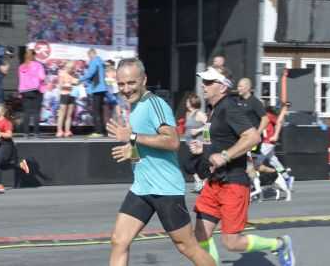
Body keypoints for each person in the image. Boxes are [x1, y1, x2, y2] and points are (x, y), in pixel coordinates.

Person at [106, 58, 216, 266]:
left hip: (165, 189)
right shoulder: (135, 107)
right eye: (121, 84)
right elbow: (144, 146)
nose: (126, 89)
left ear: (144, 80)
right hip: (142, 188)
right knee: (119, 241)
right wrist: (132, 152)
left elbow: (173, 141)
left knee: (187, 246)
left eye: (131, 83)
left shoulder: (155, 104)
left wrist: (133, 137)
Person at [189, 67, 295, 266]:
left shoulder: (229, 107)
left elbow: (253, 136)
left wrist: (225, 155)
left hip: (233, 184)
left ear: (222, 87)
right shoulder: (213, 110)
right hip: (214, 183)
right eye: (204, 81)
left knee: (232, 242)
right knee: (200, 233)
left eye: (209, 82)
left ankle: (279, 244)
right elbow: (216, 138)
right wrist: (201, 148)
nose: (204, 85)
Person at [0, 103, 30, 193]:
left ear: (2, 113)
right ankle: (20, 164)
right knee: (2, 166)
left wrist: (0, 134)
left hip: (7, 145)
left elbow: (9, 135)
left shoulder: (7, 122)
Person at [79, 48, 107, 137]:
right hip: (102, 88)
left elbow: (90, 73)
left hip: (97, 88)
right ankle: (102, 131)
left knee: (96, 111)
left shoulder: (94, 61)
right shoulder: (101, 62)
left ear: (92, 54)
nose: (89, 58)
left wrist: (80, 79)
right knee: (100, 110)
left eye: (89, 56)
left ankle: (98, 132)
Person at [18, 49, 46, 138]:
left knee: (26, 112)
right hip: (36, 90)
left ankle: (26, 133)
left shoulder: (21, 66)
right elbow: (42, 77)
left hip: (24, 91)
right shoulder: (38, 65)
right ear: (34, 56)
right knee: (36, 112)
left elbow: (20, 79)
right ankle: (36, 133)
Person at [184, 93, 208, 193]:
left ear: (191, 102)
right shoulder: (188, 114)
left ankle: (200, 182)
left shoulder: (199, 114)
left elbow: (209, 125)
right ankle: (202, 183)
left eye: (187, 101)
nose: (186, 102)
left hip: (199, 144)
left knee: (189, 164)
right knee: (193, 166)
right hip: (190, 145)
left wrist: (198, 130)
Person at [56, 61, 79, 137]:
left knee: (69, 114)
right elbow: (60, 86)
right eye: (70, 68)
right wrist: (69, 85)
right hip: (64, 95)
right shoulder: (62, 73)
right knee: (62, 114)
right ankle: (59, 131)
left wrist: (77, 83)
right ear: (67, 67)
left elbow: (77, 83)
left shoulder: (74, 74)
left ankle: (67, 131)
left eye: (72, 68)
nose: (71, 70)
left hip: (72, 95)